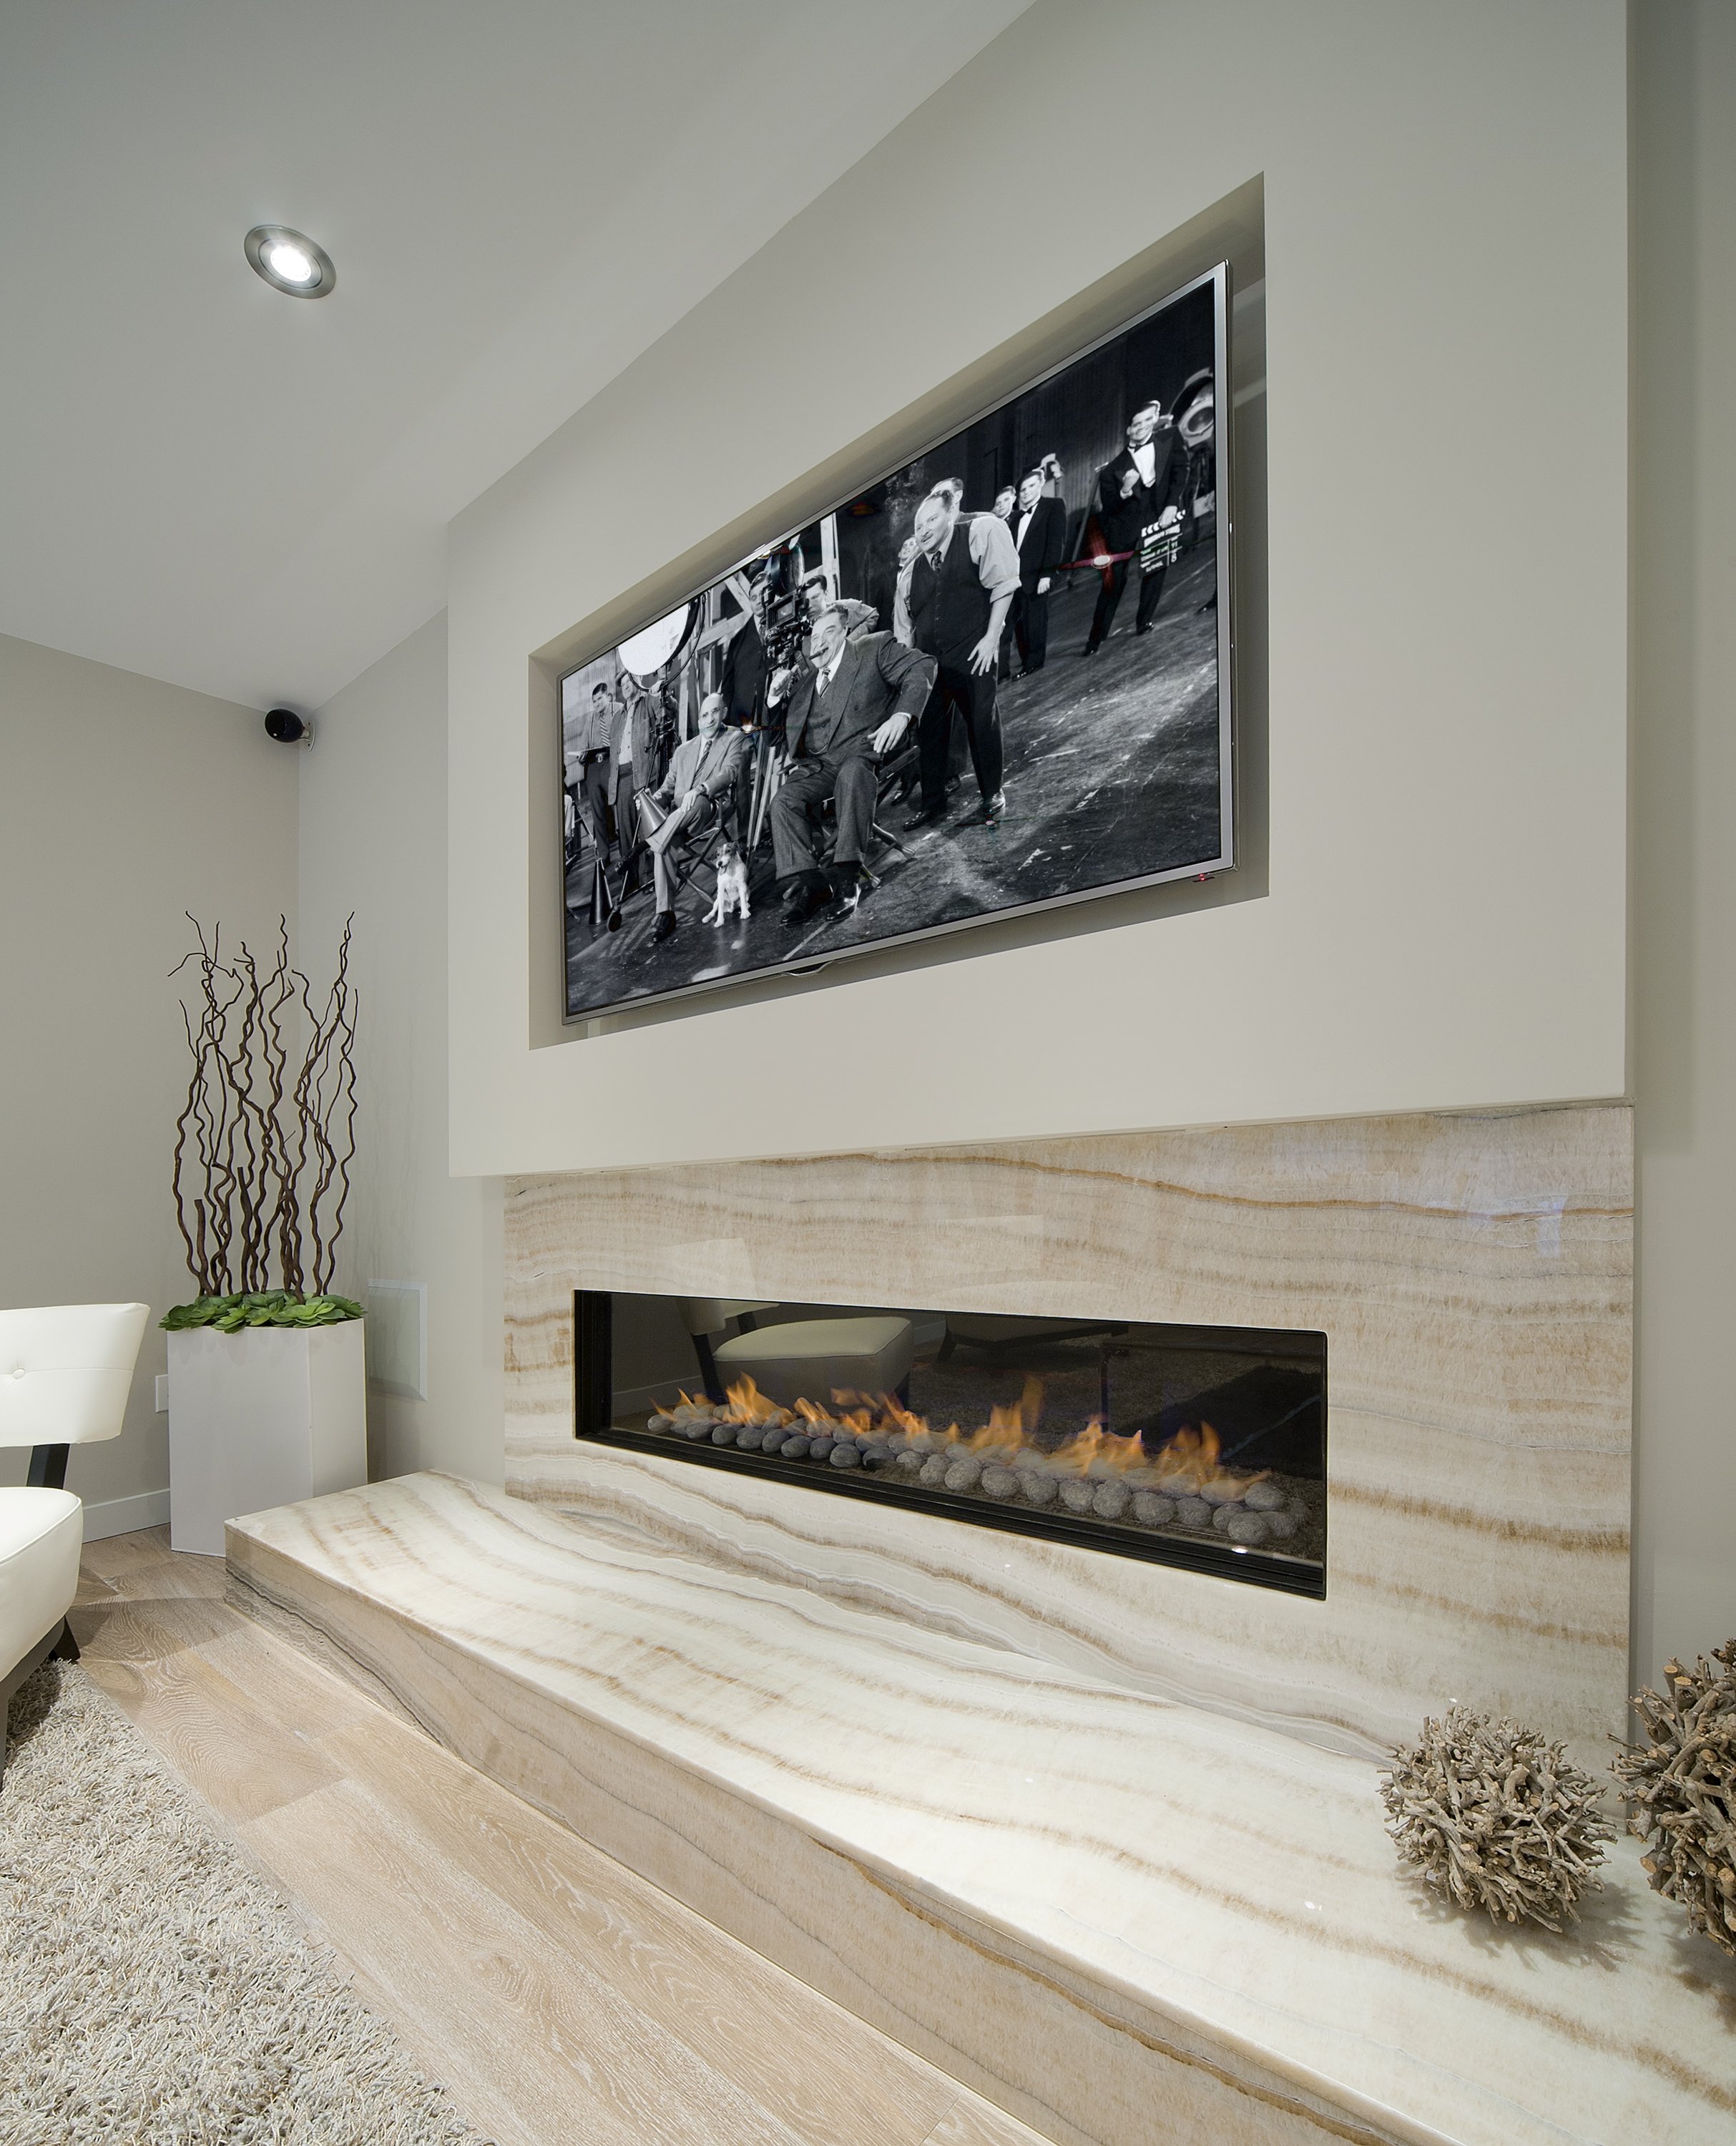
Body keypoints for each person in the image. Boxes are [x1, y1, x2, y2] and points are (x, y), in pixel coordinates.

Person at [770, 604, 935, 925]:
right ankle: (816, 887)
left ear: (845, 630)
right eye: (814, 637)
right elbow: (778, 737)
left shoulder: (873, 648)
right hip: (818, 766)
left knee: (852, 773)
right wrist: (775, 699)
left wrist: (901, 716)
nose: (818, 643)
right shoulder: (805, 682)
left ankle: (848, 879)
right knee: (782, 802)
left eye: (828, 633)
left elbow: (923, 666)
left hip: (862, 753)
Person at [893, 487, 1019, 828]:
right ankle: (933, 802)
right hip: (931, 666)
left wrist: (991, 638)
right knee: (930, 734)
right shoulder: (908, 574)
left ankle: (992, 794)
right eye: (918, 525)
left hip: (973, 654)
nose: (923, 530)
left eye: (932, 519)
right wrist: (911, 677)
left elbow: (1004, 585)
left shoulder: (980, 533)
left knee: (982, 722)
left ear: (951, 515)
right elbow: (905, 630)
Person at [638, 692, 745, 941]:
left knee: (694, 803)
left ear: (724, 712)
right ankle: (666, 913)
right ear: (699, 719)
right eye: (704, 714)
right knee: (664, 848)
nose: (709, 719)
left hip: (709, 807)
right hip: (677, 821)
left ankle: (647, 843)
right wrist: (654, 799)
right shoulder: (683, 751)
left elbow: (729, 772)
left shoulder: (733, 737)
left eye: (715, 712)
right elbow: (667, 789)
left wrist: (700, 789)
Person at [1082, 402, 1188, 655]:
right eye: (1134, 424)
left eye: (1144, 422)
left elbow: (1181, 471)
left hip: (1159, 515)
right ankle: (1095, 638)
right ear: (1128, 430)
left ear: (1152, 422)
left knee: (1156, 568)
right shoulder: (1112, 469)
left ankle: (1144, 622)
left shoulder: (1170, 439)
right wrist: (1125, 490)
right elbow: (1109, 506)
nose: (1139, 428)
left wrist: (1172, 505)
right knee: (1113, 581)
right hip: (1124, 525)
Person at [1010, 466, 1067, 672]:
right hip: (1015, 578)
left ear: (1041, 484)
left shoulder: (1053, 506)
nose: (1027, 492)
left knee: (1035, 620)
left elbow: (1056, 542)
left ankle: (1034, 662)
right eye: (1023, 490)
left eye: (1031, 486)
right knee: (1020, 624)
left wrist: (1047, 575)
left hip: (1037, 576)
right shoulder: (1015, 517)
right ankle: (1026, 660)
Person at [609, 680, 654, 891]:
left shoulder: (649, 704)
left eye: (629, 681)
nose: (625, 686)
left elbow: (668, 713)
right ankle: (631, 880)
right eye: (623, 683)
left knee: (646, 830)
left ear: (637, 680)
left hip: (643, 774)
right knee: (627, 832)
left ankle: (648, 879)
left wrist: (657, 694)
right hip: (621, 778)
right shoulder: (617, 717)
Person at [569, 680, 617, 858]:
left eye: (600, 699)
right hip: (596, 765)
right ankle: (604, 855)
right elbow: (583, 747)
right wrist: (582, 757)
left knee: (621, 802)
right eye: (594, 701)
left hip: (614, 761)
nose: (596, 704)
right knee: (597, 809)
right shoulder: (590, 720)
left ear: (608, 696)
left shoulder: (619, 709)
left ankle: (631, 848)